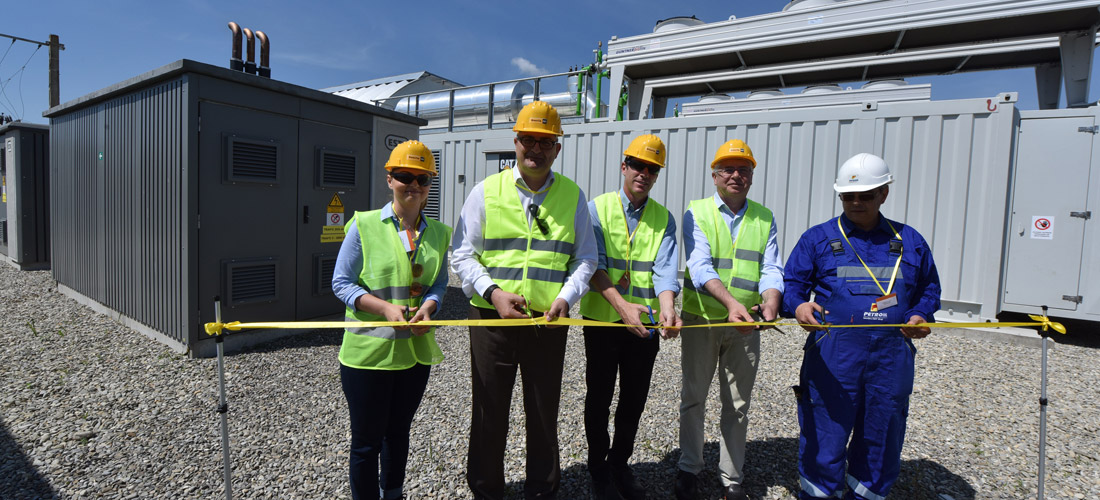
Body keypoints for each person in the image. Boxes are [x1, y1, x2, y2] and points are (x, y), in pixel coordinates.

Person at [450, 100, 598, 500]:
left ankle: (542, 490)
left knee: (543, 410)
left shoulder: (572, 196)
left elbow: (586, 258)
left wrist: (567, 297)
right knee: (488, 410)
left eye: (545, 142)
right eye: (528, 140)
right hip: (492, 319)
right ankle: (486, 491)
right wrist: (493, 293)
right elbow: (462, 253)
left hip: (547, 322)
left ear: (557, 148)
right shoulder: (487, 191)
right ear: (514, 142)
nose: (536, 148)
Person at [783, 153, 941, 500]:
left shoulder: (910, 241)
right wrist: (798, 306)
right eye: (848, 196)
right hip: (834, 354)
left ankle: (866, 494)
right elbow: (791, 284)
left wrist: (920, 315)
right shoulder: (818, 238)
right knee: (826, 430)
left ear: (884, 193)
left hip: (891, 357)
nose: (856, 202)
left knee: (881, 435)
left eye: (865, 195)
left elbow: (929, 290)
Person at [331, 140, 451, 500]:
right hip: (368, 356)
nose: (412, 185)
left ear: (430, 182)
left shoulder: (440, 233)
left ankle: (393, 494)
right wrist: (384, 309)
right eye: (404, 176)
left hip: (413, 356)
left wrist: (430, 306)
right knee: (366, 443)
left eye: (422, 178)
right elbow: (341, 283)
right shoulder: (364, 225)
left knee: (398, 433)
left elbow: (439, 283)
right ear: (389, 179)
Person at [676, 139, 783, 500]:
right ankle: (689, 467)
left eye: (744, 170)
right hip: (703, 318)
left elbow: (771, 268)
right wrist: (731, 302)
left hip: (746, 325)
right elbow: (699, 265)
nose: (736, 175)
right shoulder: (697, 212)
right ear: (715, 176)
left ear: (752, 175)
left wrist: (771, 300)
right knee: (694, 396)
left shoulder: (764, 217)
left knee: (738, 403)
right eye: (728, 169)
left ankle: (732, 476)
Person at [578, 134, 683, 500]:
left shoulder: (663, 218)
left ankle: (620, 464)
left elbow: (666, 271)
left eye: (651, 169)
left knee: (634, 398)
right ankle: (597, 468)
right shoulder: (597, 208)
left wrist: (667, 308)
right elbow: (593, 267)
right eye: (637, 165)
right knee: (600, 397)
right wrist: (622, 308)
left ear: (656, 175)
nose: (643, 173)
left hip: (645, 324)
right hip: (604, 321)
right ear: (624, 167)